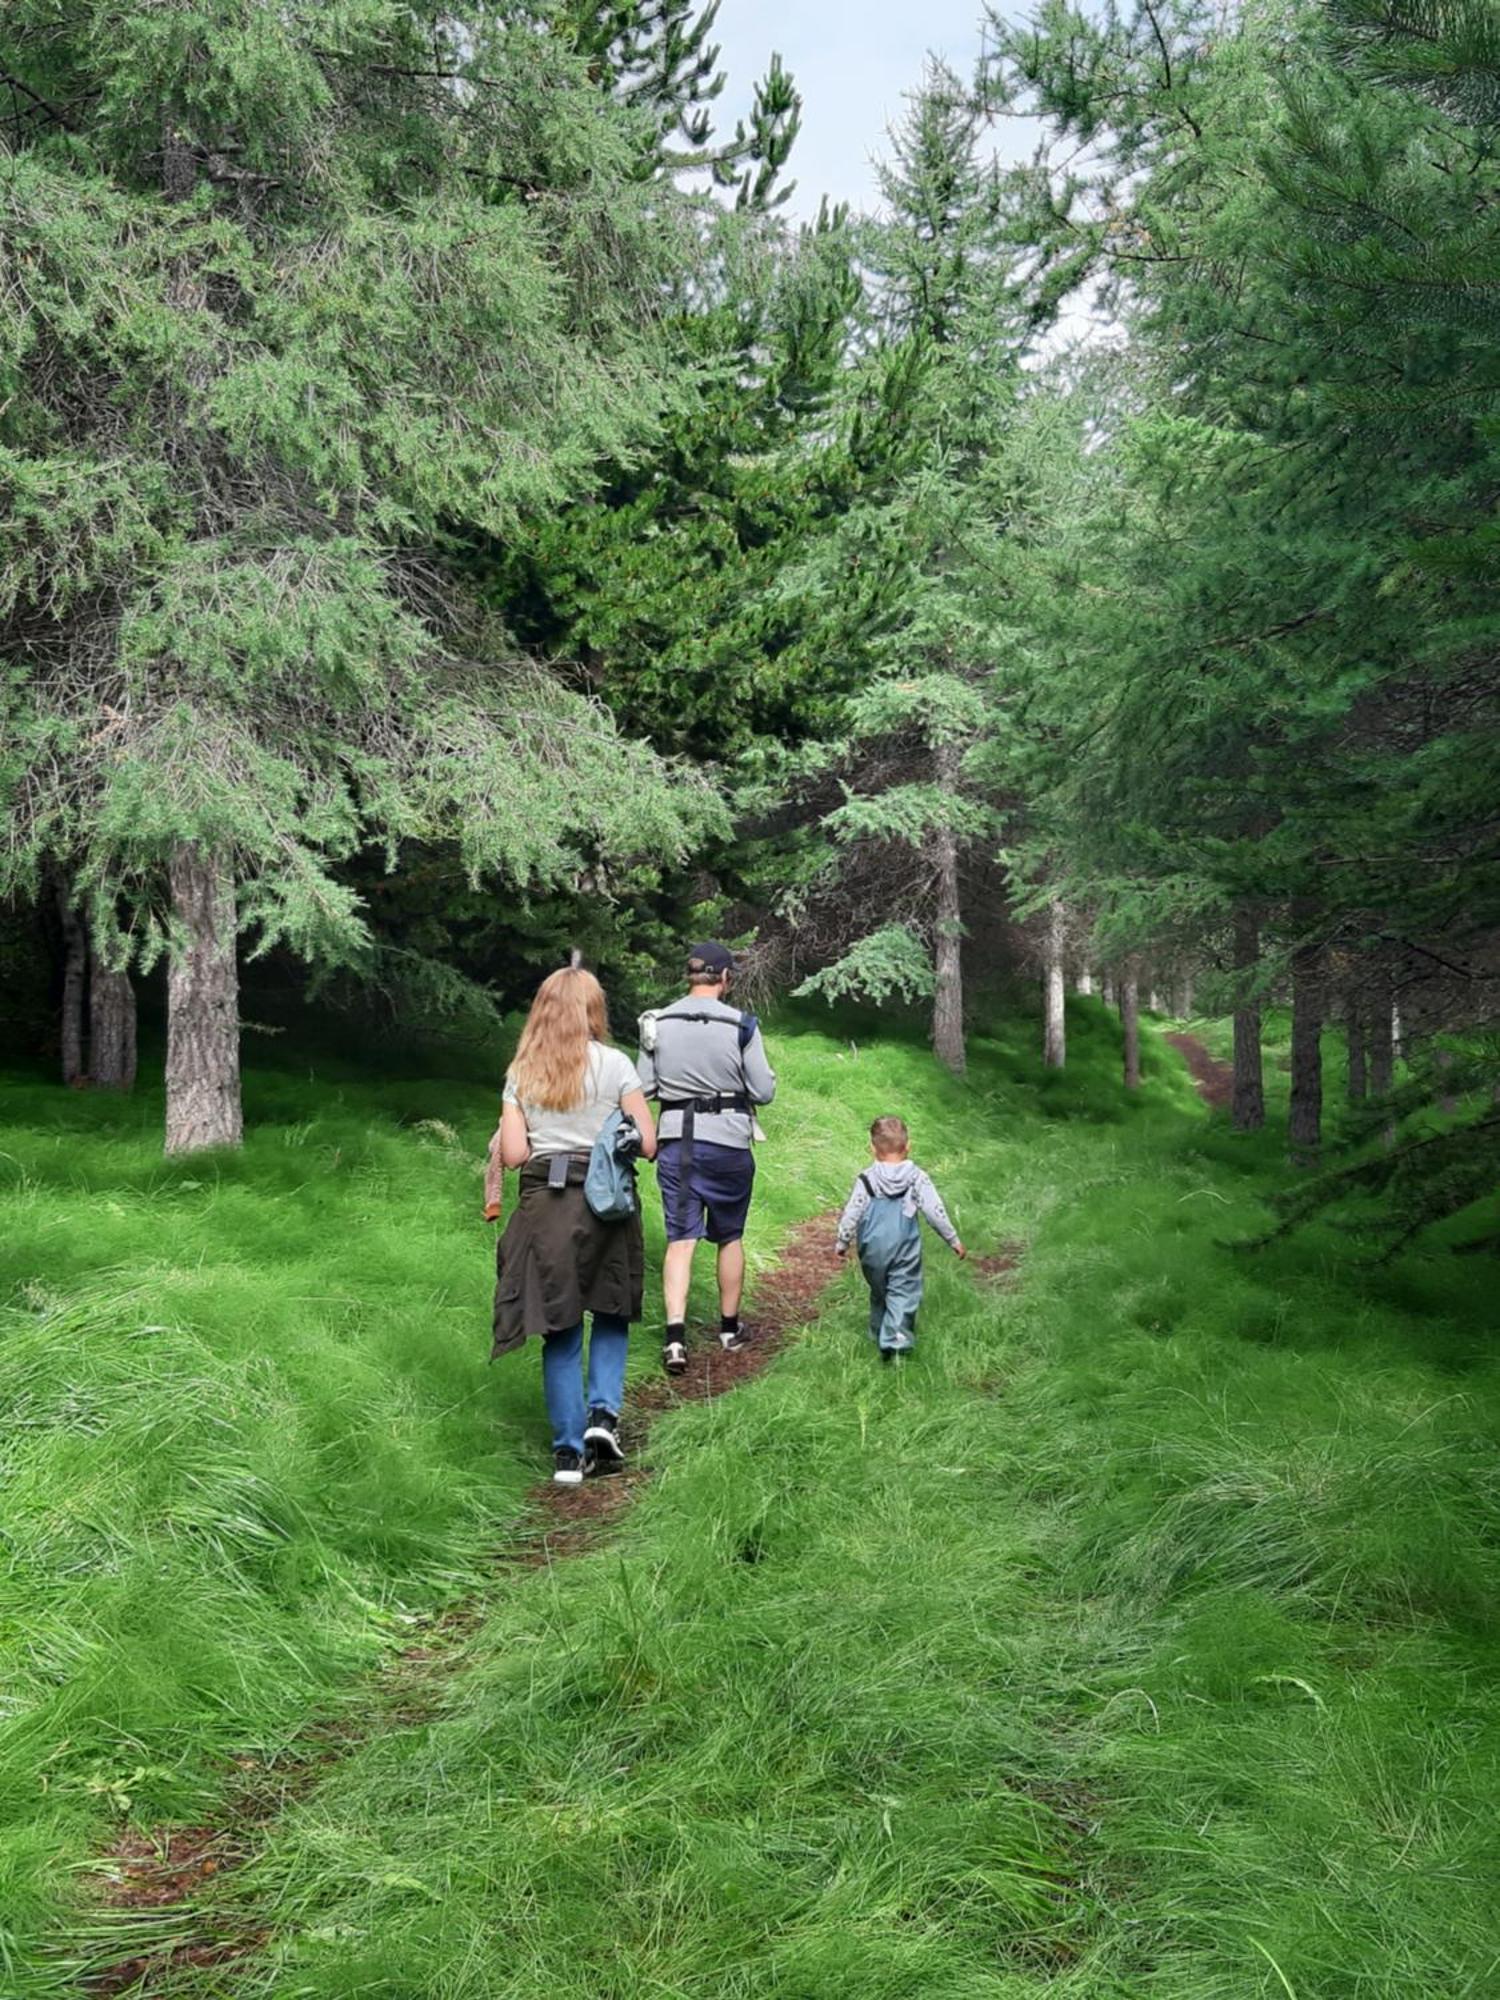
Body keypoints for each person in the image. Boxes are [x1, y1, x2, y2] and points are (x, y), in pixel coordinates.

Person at [491, 967, 657, 1485]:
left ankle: (567, 1455)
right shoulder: (616, 1065)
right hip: (606, 1200)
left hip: (546, 1207)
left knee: (558, 1324)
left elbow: (515, 1155)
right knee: (610, 1308)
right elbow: (649, 1145)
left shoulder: (522, 1072)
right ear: (592, 1010)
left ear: (542, 1010)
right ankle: (602, 1418)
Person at [636, 941, 776, 1376]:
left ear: (689, 976)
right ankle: (729, 1330)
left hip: (677, 1143)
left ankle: (675, 1340)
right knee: (729, 1235)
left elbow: (643, 1088)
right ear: (726, 978)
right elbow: (764, 1092)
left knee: (681, 1239)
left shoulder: (657, 1023)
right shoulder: (743, 1025)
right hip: (729, 1144)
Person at [835, 1115, 965, 1360]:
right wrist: (953, 1239)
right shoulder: (917, 1178)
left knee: (880, 1289)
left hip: (871, 1248)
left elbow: (852, 1212)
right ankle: (895, 1343)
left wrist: (843, 1240)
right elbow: (934, 1211)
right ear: (908, 1146)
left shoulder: (866, 1180)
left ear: (872, 1148)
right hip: (904, 1248)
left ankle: (878, 1332)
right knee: (902, 1291)